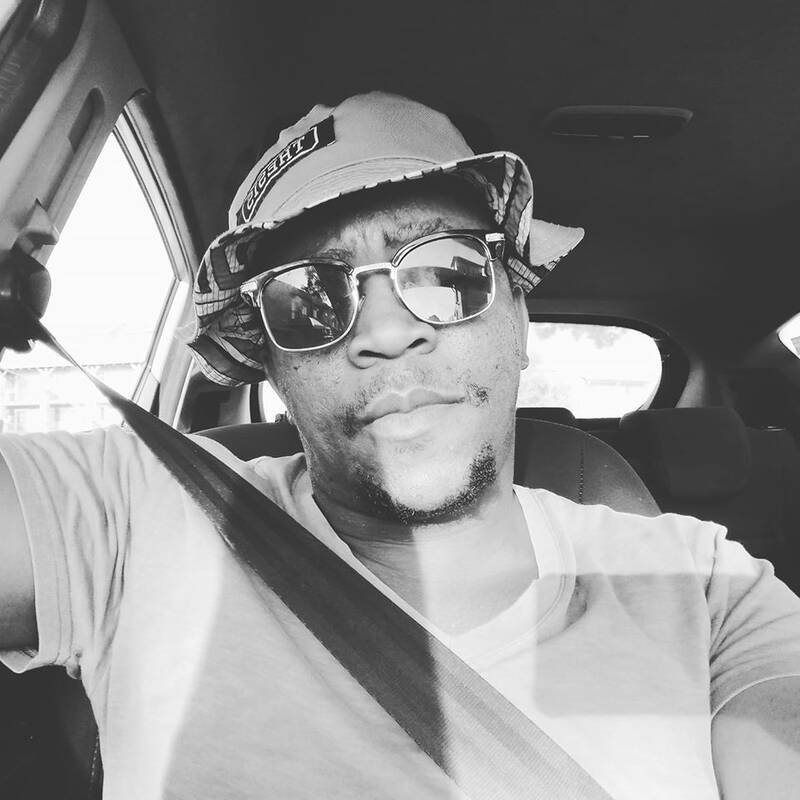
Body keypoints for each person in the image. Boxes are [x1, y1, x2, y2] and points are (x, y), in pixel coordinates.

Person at [1, 91, 799, 799]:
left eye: (449, 271)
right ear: (273, 365)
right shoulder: (140, 515)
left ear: (519, 318)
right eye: (308, 298)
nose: (386, 333)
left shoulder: (702, 585)